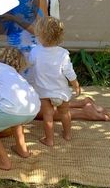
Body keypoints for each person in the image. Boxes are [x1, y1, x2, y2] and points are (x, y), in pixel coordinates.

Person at [2, 0, 110, 122]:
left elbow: (42, 30)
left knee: (27, 108)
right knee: (30, 101)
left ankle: (83, 113)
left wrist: (15, 17)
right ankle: (82, 103)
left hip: (30, 56)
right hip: (21, 54)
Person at [30, 16, 81, 146]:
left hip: (44, 92)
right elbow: (69, 72)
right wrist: (75, 84)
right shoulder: (63, 53)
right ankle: (68, 134)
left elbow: (30, 66)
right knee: (65, 113)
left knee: (48, 116)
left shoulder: (35, 51)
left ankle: (50, 140)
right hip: (61, 92)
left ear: (40, 35)